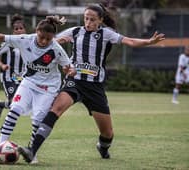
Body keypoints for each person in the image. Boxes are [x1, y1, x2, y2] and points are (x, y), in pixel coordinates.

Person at [17, 3, 165, 163]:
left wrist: (149, 42)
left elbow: (129, 41)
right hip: (74, 82)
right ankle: (32, 150)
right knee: (55, 110)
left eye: (92, 20)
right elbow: (49, 41)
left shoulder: (107, 34)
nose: (88, 22)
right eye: (86, 18)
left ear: (100, 20)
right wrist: (58, 39)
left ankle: (103, 147)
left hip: (95, 88)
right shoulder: (75, 31)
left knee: (107, 134)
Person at [0, 15, 76, 163]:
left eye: (48, 39)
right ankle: (0, 145)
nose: (44, 41)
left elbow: (69, 67)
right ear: (36, 31)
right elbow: (2, 37)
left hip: (48, 88)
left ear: (53, 37)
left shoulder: (56, 49)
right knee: (14, 109)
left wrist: (70, 71)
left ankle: (32, 152)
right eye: (41, 37)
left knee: (37, 120)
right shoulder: (25, 39)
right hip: (28, 82)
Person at [0, 14, 26, 119]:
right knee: (14, 102)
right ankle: (7, 121)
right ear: (13, 31)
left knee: (22, 102)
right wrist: (2, 65)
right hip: (8, 77)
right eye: (16, 29)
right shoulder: (8, 43)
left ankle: (2, 104)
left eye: (21, 28)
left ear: (25, 30)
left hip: (22, 77)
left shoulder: (28, 42)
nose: (19, 30)